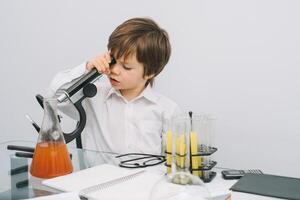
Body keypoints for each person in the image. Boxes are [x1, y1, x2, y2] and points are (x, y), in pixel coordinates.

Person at [49, 17, 181, 154]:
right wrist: (87, 68)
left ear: (151, 72)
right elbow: (54, 96)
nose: (115, 70)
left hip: (150, 175)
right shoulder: (93, 97)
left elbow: (176, 161)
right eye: (113, 61)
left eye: (126, 67)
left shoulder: (167, 110)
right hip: (102, 175)